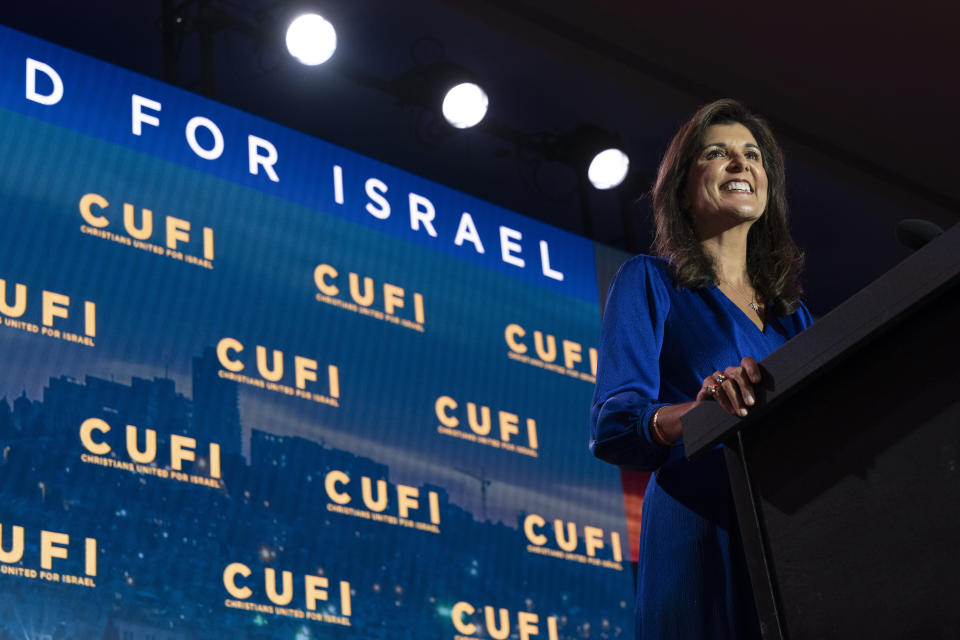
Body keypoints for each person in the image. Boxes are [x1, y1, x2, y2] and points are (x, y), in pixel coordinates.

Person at [589, 99, 812, 639]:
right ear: (683, 189)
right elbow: (615, 427)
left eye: (752, 155)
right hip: (700, 529)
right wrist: (700, 412)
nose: (741, 165)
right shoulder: (650, 281)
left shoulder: (794, 317)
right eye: (719, 153)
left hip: (794, 537)